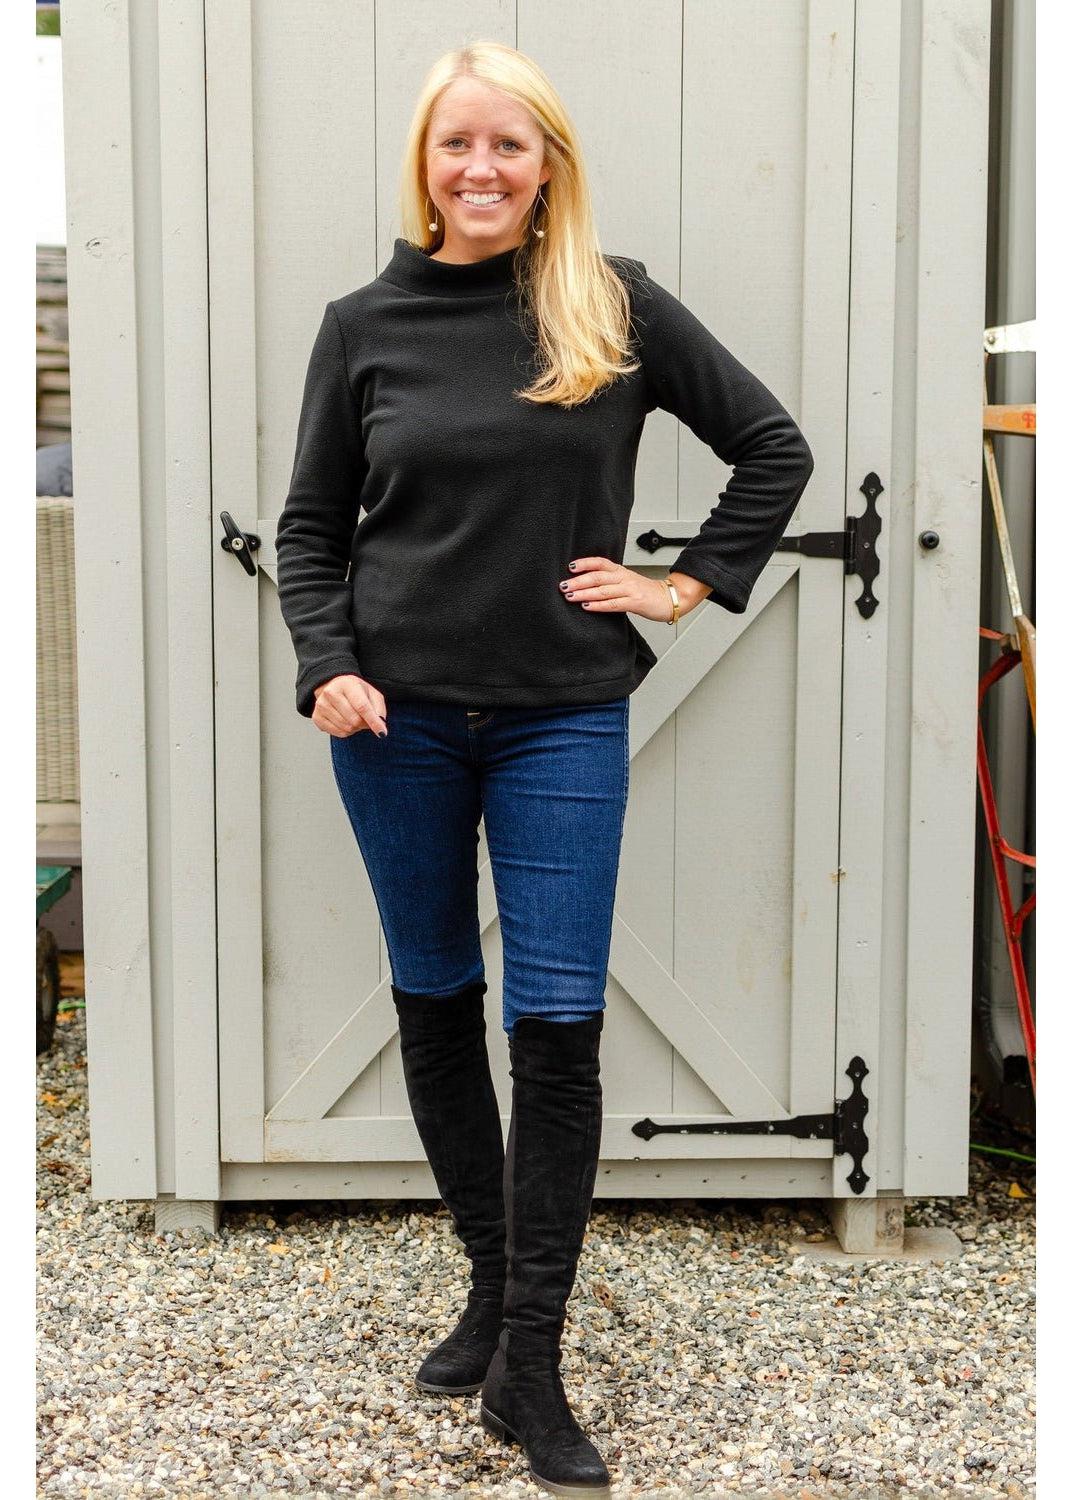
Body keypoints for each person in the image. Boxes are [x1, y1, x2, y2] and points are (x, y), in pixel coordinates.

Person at [275, 39, 814, 1499]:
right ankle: (490, 1287)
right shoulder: (364, 325)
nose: (482, 168)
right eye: (457, 144)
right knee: (436, 998)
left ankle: (534, 1359)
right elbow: (312, 527)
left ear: (547, 165)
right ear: (425, 163)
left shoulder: (611, 304)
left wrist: (683, 586)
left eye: (509, 145)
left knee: (557, 1025)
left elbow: (772, 448)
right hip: (392, 721)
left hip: (561, 716)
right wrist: (326, 662)